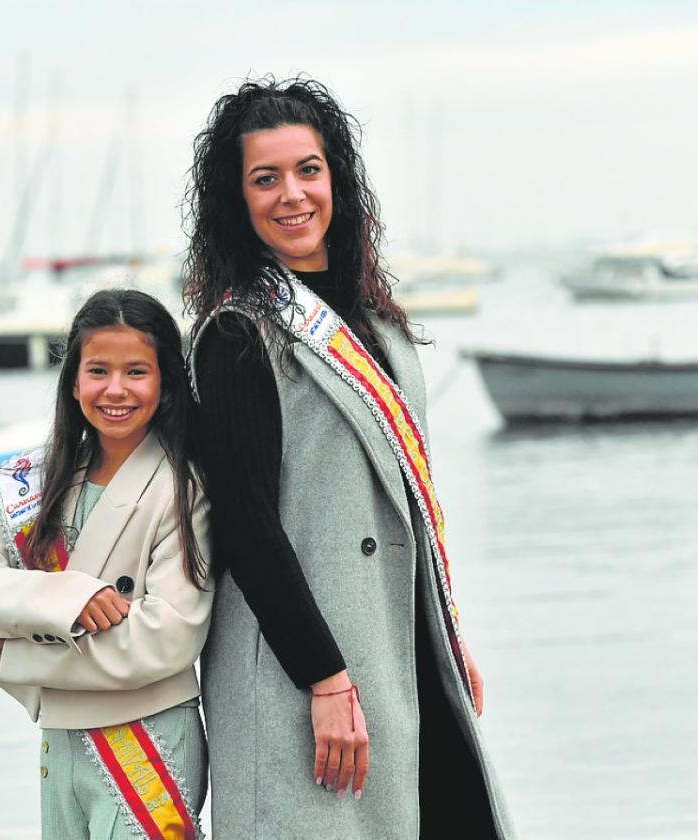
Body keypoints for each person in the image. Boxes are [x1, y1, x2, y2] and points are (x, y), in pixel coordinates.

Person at [183, 76, 515, 837]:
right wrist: (324, 678)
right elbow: (247, 525)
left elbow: (407, 508)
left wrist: (443, 639)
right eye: (265, 178)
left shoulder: (378, 325)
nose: (291, 195)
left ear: (337, 178)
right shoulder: (240, 335)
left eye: (308, 170)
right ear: (238, 199)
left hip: (399, 655)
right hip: (310, 675)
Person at [0, 289, 212, 840]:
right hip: (59, 738)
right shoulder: (35, 483)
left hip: (149, 741)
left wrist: (18, 644)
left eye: (137, 371)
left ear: (164, 384)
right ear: (72, 381)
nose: (115, 389)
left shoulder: (183, 487)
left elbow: (167, 638)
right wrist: (70, 600)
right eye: (98, 370)